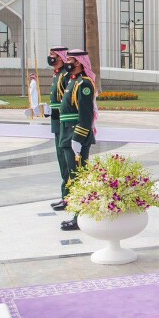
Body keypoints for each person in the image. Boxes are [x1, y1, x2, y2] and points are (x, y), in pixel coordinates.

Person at [59, 49, 97, 231]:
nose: (68, 63)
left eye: (71, 60)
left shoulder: (84, 84)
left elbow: (86, 115)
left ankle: (80, 216)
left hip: (76, 135)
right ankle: (78, 213)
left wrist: (78, 138)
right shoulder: (72, 82)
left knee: (79, 177)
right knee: (74, 177)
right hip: (67, 134)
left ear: (80, 62)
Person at [47, 46, 70, 211]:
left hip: (64, 123)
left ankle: (69, 197)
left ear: (61, 57)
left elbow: (68, 101)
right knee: (62, 161)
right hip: (57, 122)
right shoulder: (57, 75)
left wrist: (53, 110)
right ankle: (65, 196)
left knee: (67, 161)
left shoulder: (65, 76)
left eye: (53, 55)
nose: (50, 58)